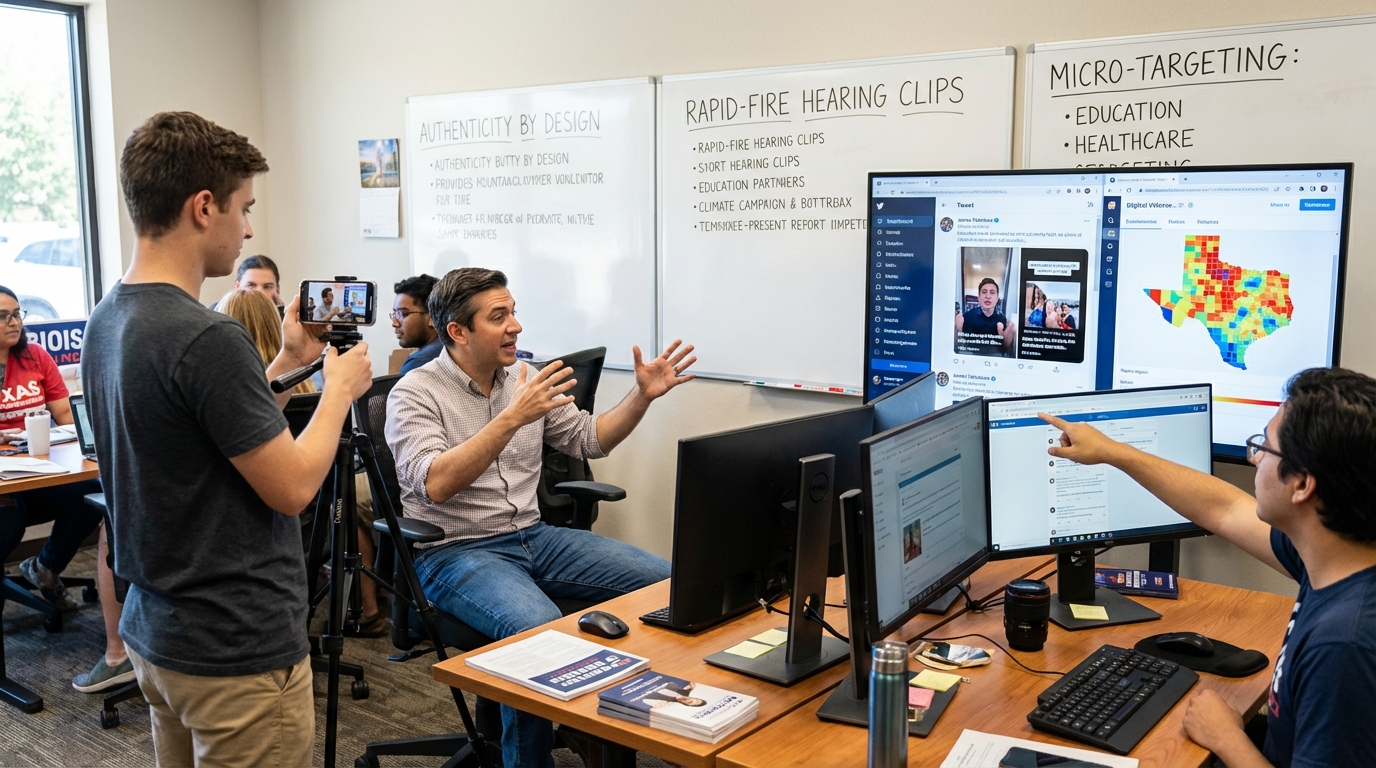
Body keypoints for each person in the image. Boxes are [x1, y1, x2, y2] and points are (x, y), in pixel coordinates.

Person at [83, 111, 374, 767]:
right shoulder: (208, 337)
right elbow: (295, 488)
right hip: (234, 651)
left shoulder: (111, 316)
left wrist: (283, 366)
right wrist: (336, 392)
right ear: (203, 206)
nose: (247, 230)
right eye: (243, 209)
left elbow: (203, 428)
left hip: (159, 636)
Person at [386, 267, 697, 767]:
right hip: (453, 552)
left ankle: (618, 743)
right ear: (458, 332)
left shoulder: (524, 379)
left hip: (534, 536)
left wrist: (641, 396)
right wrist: (512, 417)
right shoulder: (415, 393)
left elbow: (588, 439)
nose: (516, 327)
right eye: (499, 316)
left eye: (513, 312)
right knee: (538, 631)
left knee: (665, 583)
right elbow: (436, 483)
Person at [1039, 367, 1376, 768]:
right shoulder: (1337, 552)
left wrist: (1227, 738)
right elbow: (1224, 508)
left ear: (1302, 485)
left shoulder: (1344, 646)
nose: (1254, 458)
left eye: (1265, 448)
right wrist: (1114, 452)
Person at [0, 285, 104, 614]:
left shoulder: (36, 357)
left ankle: (46, 566)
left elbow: (62, 415)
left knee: (91, 494)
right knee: (9, 520)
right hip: (5, 479)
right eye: (3, 316)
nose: (14, 322)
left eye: (17, 314)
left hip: (41, 469)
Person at [393, 274, 441, 375]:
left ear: (432, 317)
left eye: (403, 314)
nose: (395, 323)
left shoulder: (419, 362)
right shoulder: (452, 349)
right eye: (395, 313)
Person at [955, 277, 1015, 352]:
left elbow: (1003, 349)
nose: (988, 296)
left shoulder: (1002, 320)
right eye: (984, 292)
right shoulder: (967, 317)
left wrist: (1007, 342)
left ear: (997, 298)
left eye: (992, 292)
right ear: (979, 297)